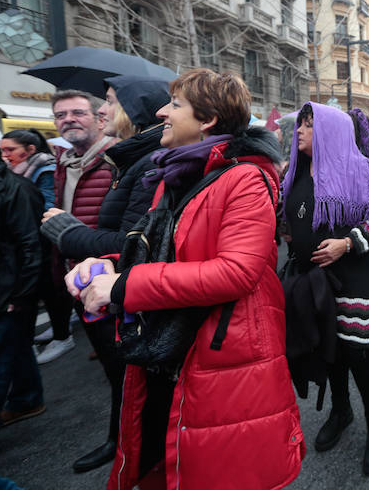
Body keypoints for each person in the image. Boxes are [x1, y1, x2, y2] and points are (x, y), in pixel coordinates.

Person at [67, 69, 303, 489]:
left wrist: (123, 287)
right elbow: (159, 251)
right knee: (167, 461)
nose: (162, 111)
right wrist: (104, 266)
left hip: (223, 355)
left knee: (214, 470)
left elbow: (236, 272)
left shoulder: (244, 177)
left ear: (208, 118)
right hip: (171, 349)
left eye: (175, 104)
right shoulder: (176, 175)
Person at [38, 75, 169, 473]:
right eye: (62, 114)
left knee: (132, 379)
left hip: (118, 288)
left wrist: (68, 231)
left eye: (108, 102)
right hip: (94, 282)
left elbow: (131, 241)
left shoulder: (145, 162)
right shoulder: (118, 158)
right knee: (121, 378)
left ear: (134, 111)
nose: (99, 111)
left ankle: (131, 450)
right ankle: (123, 443)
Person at [282, 102, 369, 476]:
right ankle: (341, 410)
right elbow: (291, 216)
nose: (300, 131)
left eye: (309, 125)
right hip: (313, 277)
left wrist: (346, 243)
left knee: (358, 351)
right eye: (300, 125)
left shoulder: (360, 169)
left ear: (329, 131)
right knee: (329, 349)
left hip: (355, 272)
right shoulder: (293, 173)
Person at [36, 90, 116, 365]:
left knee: (124, 371)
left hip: (111, 279)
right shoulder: (63, 163)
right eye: (61, 115)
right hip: (75, 280)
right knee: (107, 360)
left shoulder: (118, 158)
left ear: (99, 119)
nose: (68, 120)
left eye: (78, 113)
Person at [0, 136, 45, 440]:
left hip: (6, 290)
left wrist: (22, 293)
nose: (7, 154)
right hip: (3, 288)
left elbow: (30, 244)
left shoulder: (14, 187)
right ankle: (26, 399)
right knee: (15, 346)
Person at [0, 129, 56, 209]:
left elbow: (48, 206)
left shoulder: (46, 171)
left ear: (31, 149)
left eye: (11, 149)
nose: (4, 155)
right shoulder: (8, 168)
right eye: (2, 150)